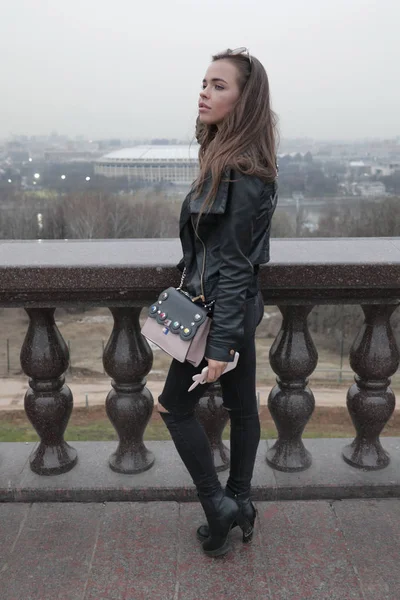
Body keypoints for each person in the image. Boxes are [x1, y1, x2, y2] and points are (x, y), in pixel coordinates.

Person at [157, 47, 278, 557]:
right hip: (232, 311)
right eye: (205, 82)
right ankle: (241, 501)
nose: (204, 92)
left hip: (217, 316)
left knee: (173, 407)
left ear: (244, 101)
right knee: (241, 407)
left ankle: (218, 505)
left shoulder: (240, 172)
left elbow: (233, 265)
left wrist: (221, 346)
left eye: (219, 85)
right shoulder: (233, 158)